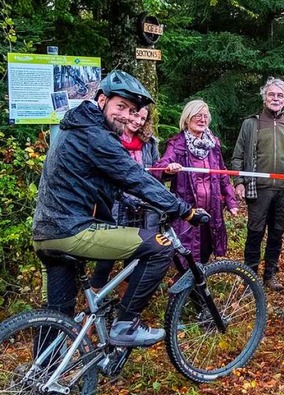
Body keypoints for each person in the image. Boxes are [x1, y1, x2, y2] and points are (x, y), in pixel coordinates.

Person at [32, 70, 206, 352]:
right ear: (101, 100)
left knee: (57, 314)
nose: (126, 116)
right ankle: (126, 324)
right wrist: (183, 210)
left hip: (46, 233)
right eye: (120, 107)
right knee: (160, 247)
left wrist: (137, 202)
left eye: (132, 110)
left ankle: (44, 383)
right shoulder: (96, 136)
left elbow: (102, 184)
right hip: (72, 229)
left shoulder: (75, 128)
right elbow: (134, 177)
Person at [153, 100, 239, 271]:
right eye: (197, 115)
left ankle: (199, 289)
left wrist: (231, 202)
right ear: (187, 119)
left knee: (206, 250)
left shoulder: (213, 144)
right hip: (187, 211)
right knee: (187, 254)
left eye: (205, 116)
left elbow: (222, 174)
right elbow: (158, 168)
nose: (202, 119)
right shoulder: (177, 144)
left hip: (212, 209)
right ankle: (183, 291)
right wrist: (168, 169)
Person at [231, 78, 284, 291]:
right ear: (264, 97)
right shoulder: (252, 123)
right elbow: (238, 156)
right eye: (271, 94)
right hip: (258, 188)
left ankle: (270, 274)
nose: (275, 99)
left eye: (279, 95)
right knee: (255, 231)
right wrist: (239, 182)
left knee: (277, 232)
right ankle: (250, 275)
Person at [90, 104, 162, 289]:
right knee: (108, 254)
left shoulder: (149, 143)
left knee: (135, 256)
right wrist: (125, 198)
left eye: (143, 119)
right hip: (115, 206)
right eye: (135, 115)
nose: (138, 121)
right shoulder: (111, 139)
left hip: (142, 210)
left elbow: (155, 175)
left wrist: (167, 172)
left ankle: (125, 300)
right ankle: (95, 298)